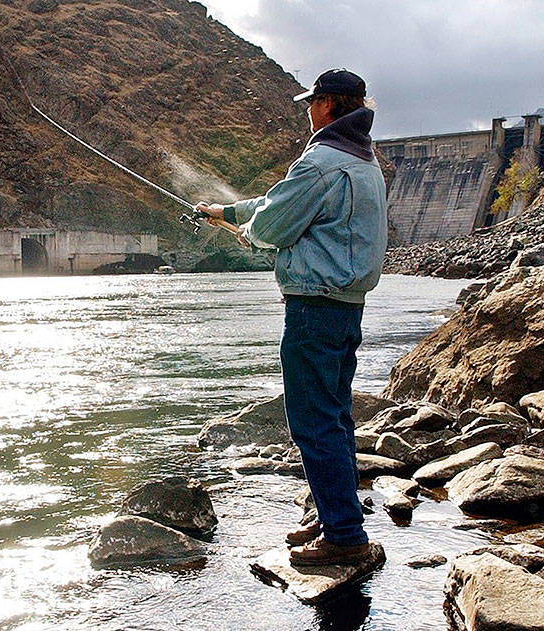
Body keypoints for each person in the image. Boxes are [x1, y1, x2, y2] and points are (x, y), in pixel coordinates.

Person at [197, 68, 388, 566]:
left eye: (311, 102)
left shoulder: (321, 160)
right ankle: (335, 516)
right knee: (335, 416)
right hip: (345, 309)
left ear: (326, 105)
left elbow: (275, 221)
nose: (307, 111)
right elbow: (278, 205)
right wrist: (227, 212)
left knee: (313, 421)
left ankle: (345, 536)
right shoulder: (363, 159)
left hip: (313, 310)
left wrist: (253, 231)